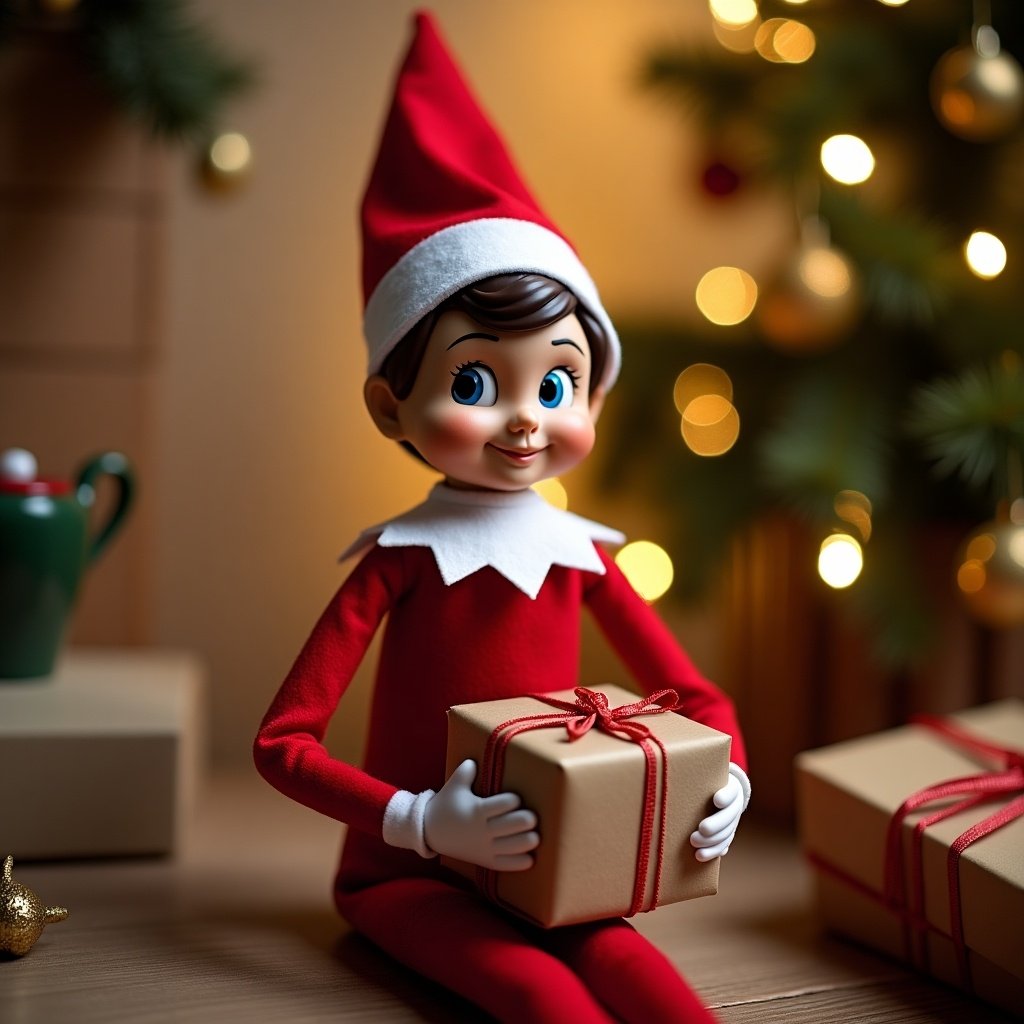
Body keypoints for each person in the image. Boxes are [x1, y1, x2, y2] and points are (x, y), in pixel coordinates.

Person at [254, 13, 749, 1023]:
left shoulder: (577, 555)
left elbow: (696, 694)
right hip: (407, 872)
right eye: (477, 379)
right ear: (391, 406)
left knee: (655, 988)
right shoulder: (399, 561)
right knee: (541, 999)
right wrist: (420, 820)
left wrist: (726, 777)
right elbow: (283, 741)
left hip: (551, 869)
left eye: (559, 383)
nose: (527, 417)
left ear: (595, 398)